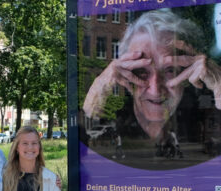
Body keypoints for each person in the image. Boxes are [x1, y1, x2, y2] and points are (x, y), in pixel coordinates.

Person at [83, 10, 221, 143]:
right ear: (124, 74)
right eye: (141, 71)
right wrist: (94, 96)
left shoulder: (198, 115)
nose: (155, 90)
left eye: (170, 70)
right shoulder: (116, 118)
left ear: (190, 70)